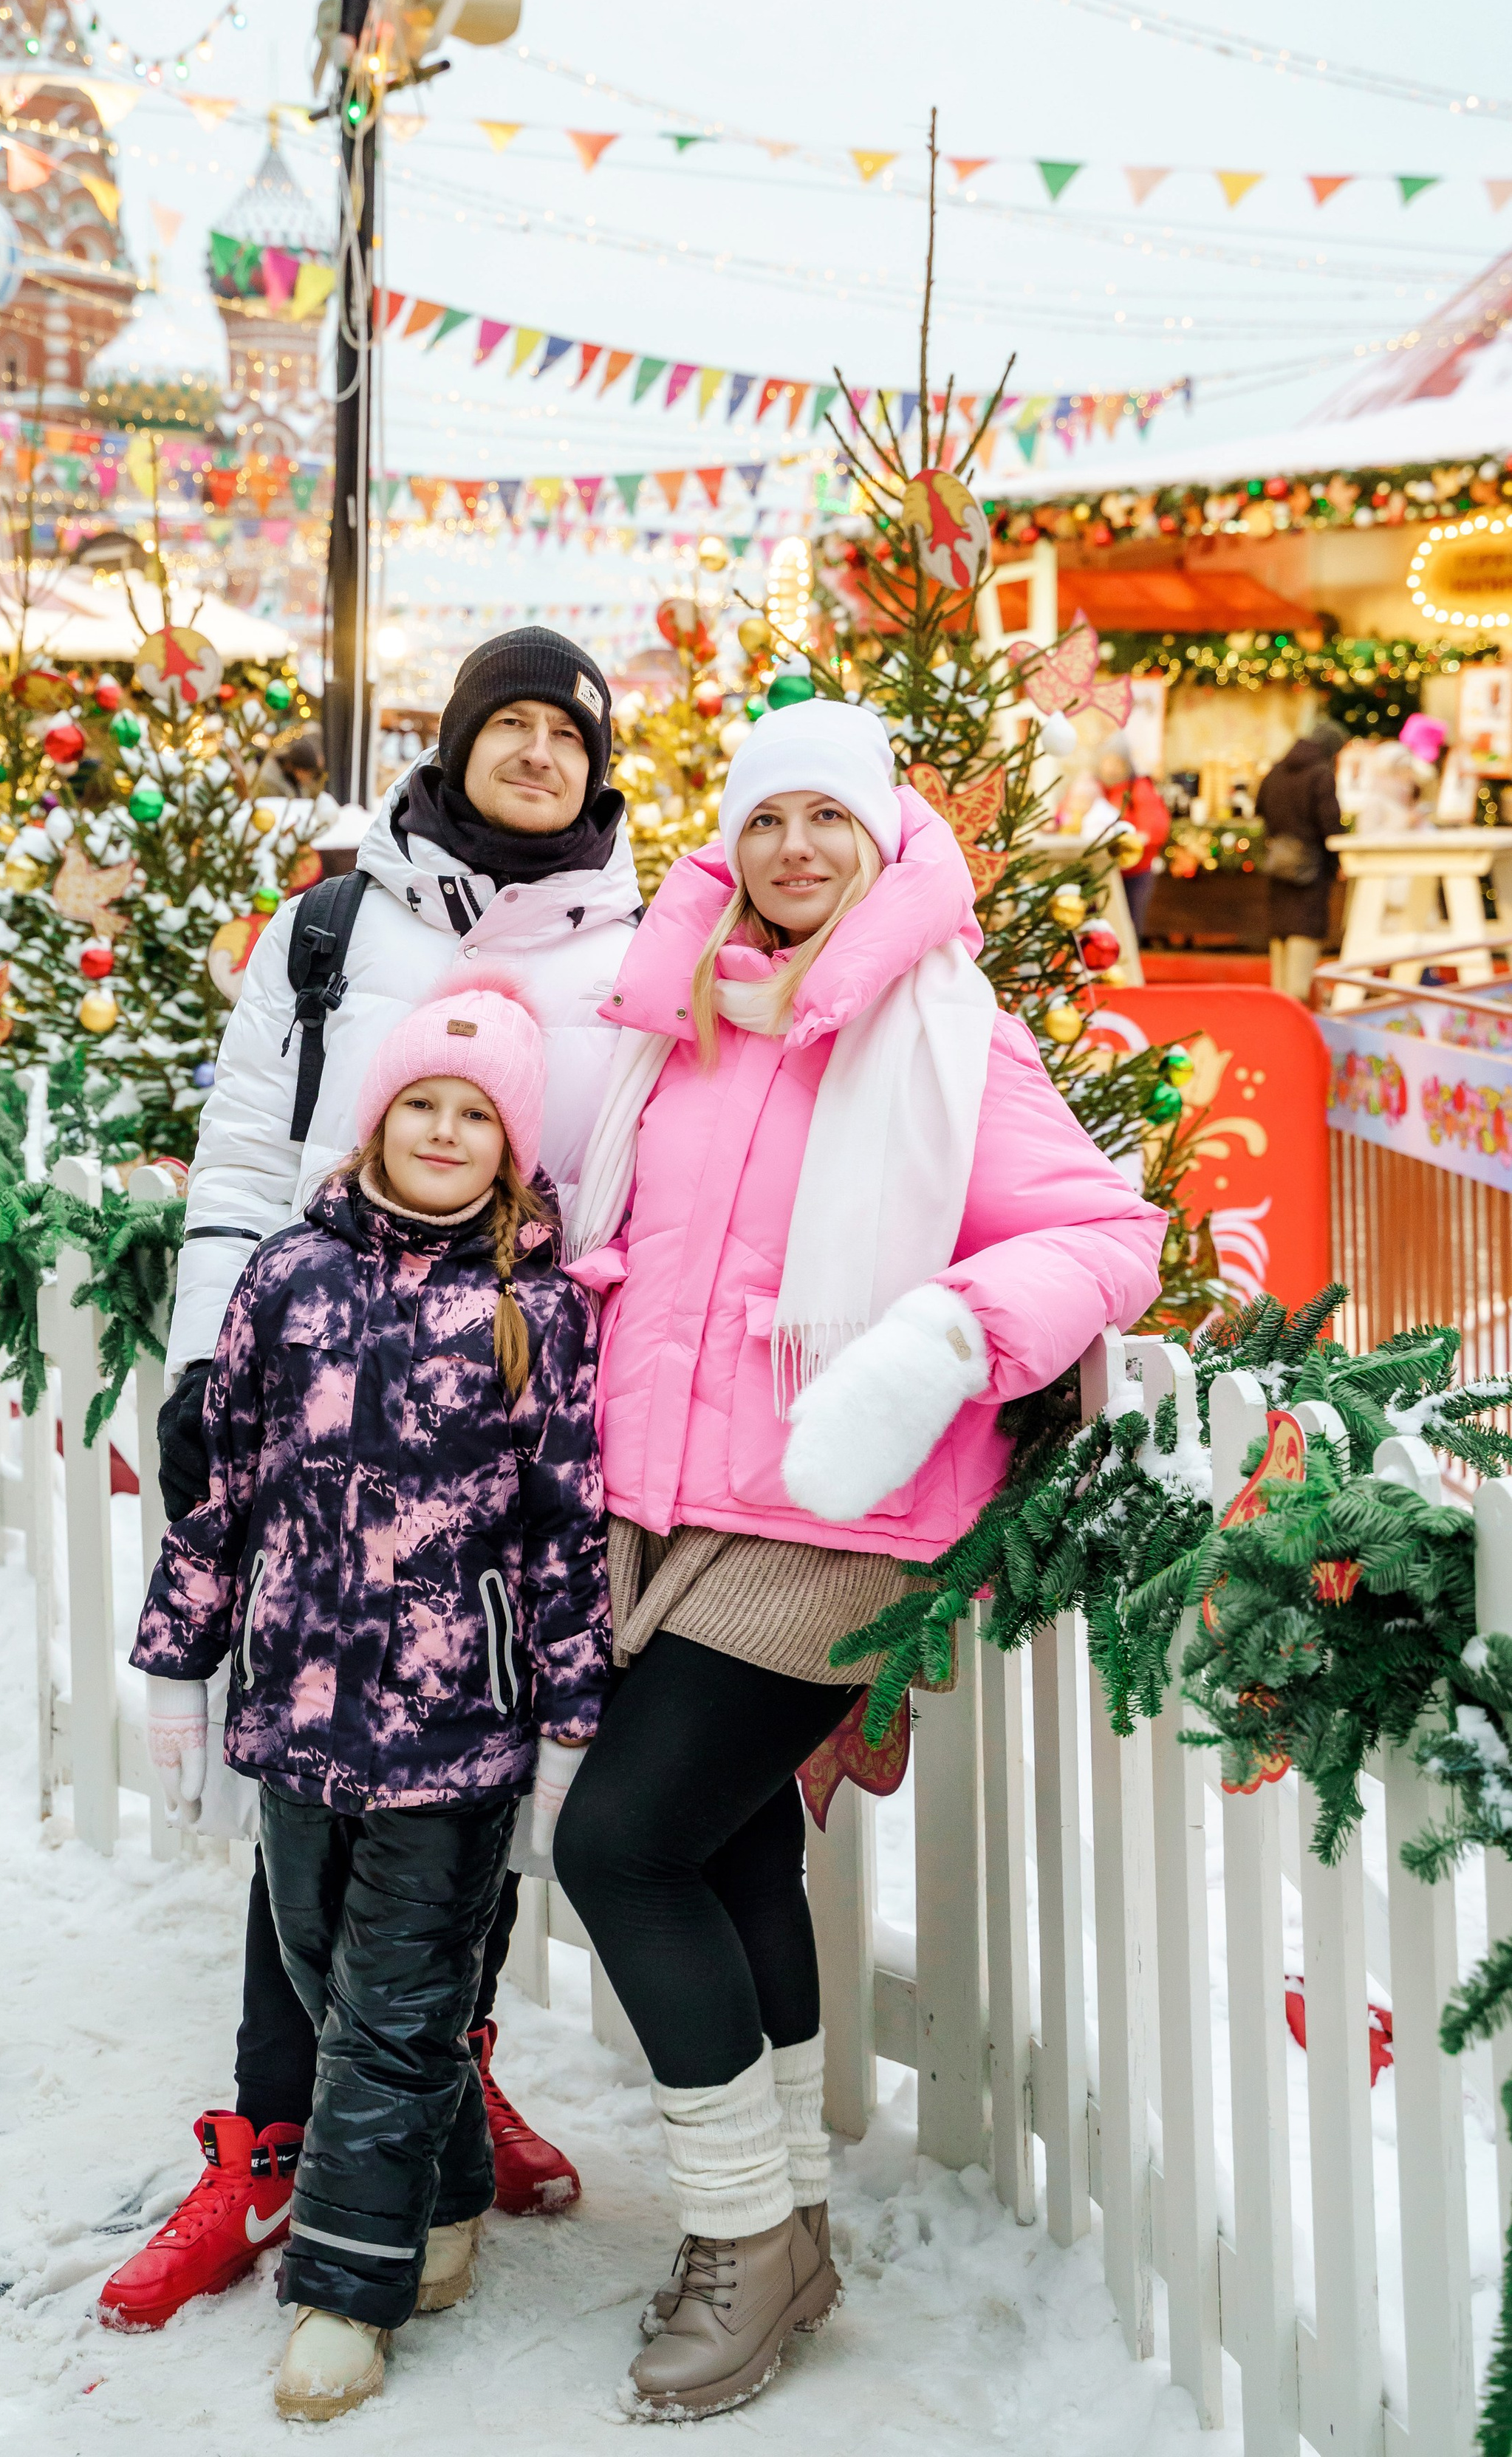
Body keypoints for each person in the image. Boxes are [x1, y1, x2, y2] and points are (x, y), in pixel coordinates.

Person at [552, 698, 1165, 2422]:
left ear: (882, 834)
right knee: (736, 1853)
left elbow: (1109, 1231)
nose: (794, 851)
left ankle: (743, 2238)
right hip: (668, 1501)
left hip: (840, 1515)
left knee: (619, 1841)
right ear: (727, 845)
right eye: (765, 822)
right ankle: (794, 2225)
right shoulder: (679, 1018)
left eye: (829, 818)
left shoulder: (942, 1029)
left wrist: (943, 1337)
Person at [97, 627, 639, 2334]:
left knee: (457, 1788)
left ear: (593, 764)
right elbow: (249, 1140)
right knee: (305, 1782)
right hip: (315, 1386)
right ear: (458, 742)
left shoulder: (631, 940)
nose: (536, 752)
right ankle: (271, 2135)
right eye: (510, 725)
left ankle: (431, 2085)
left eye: (566, 731)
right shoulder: (335, 921)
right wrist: (206, 1359)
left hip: (509, 1409)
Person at [129, 980, 606, 2420]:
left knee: (397, 2006)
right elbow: (219, 1485)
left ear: (510, 1148)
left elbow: (563, 1526)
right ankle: (447, 2191)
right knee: (325, 1963)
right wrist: (176, 1660)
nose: (447, 1131)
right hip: (293, 1707)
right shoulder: (287, 1276)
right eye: (423, 1106)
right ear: (376, 1122)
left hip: (450, 1728)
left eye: (476, 1115)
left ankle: (348, 2286)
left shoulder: (532, 1310)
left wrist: (572, 1711)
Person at [1257, 717, 1347, 1003]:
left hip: (1278, 864)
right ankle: (1295, 1007)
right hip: (1311, 869)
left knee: (1282, 935)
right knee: (1304, 930)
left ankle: (1280, 1007)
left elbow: (1261, 809)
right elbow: (1330, 824)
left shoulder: (1276, 771)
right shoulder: (1321, 774)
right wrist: (1339, 859)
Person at [1088, 734, 1171, 941]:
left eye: (1118, 762)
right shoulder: (1095, 789)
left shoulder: (1139, 789)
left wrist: (1137, 839)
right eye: (1108, 761)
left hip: (1135, 872)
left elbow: (1155, 827)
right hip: (1099, 869)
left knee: (1128, 928)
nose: (1111, 768)